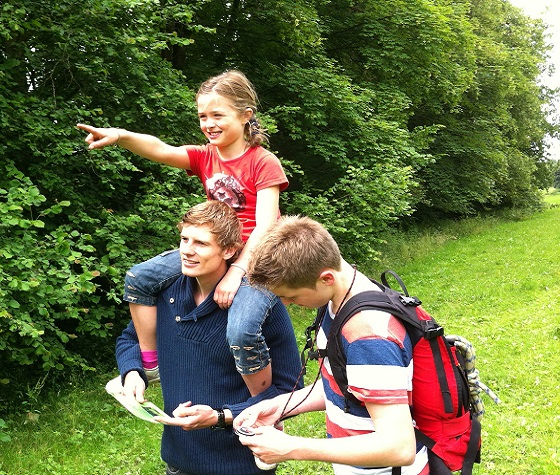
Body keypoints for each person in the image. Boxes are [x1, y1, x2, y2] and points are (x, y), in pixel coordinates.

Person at [78, 70, 288, 396]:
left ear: (246, 116)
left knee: (242, 331)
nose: (209, 123)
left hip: (257, 260)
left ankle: (264, 403)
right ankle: (151, 366)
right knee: (140, 278)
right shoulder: (205, 156)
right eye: (203, 116)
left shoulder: (263, 162)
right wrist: (120, 135)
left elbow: (266, 226)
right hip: (213, 248)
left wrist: (236, 274)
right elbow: (161, 149)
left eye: (218, 115)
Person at [115, 200, 303, 475]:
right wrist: (133, 372)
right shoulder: (165, 292)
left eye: (200, 244)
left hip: (240, 464)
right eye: (183, 239)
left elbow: (290, 392)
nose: (186, 251)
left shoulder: (256, 309)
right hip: (178, 460)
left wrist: (219, 417)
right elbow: (131, 339)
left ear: (229, 251)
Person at [233, 215, 430, 475]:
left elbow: (398, 446)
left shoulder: (368, 335)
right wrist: (279, 405)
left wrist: (291, 447)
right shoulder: (339, 299)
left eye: (290, 296)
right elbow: (345, 386)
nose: (287, 304)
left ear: (326, 278)